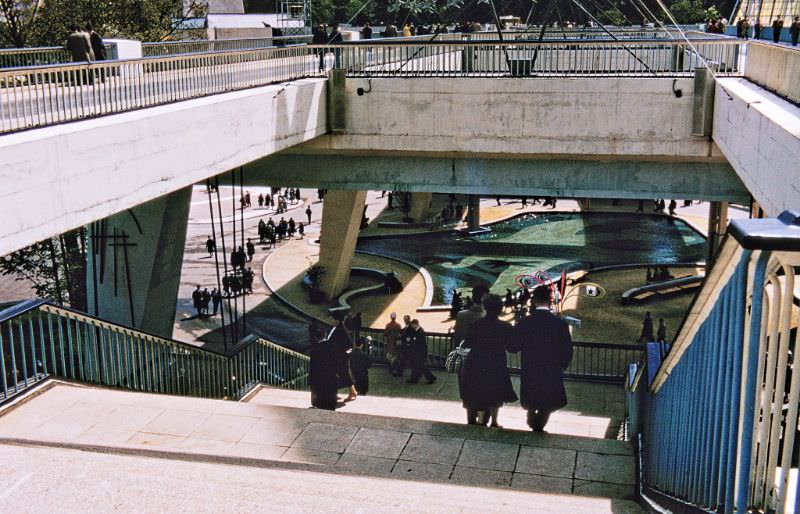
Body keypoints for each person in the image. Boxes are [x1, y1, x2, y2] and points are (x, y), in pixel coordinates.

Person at [508, 286, 573, 432]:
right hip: (551, 368)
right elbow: (567, 349)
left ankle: (532, 416)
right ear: (550, 301)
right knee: (548, 399)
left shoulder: (525, 322)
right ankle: (539, 423)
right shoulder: (560, 324)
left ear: (534, 301)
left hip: (531, 367)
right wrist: (562, 365)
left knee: (532, 395)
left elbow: (512, 347)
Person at [459, 294, 518, 427]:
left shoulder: (475, 325)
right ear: (499, 309)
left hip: (477, 362)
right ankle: (494, 421)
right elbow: (512, 348)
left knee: (477, 390)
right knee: (495, 393)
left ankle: (477, 419)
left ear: (485, 307)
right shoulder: (505, 327)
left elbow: (468, 344)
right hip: (496, 362)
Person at [309, 323, 338, 410]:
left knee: (320, 405)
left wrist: (311, 384)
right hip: (332, 380)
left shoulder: (314, 350)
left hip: (319, 382)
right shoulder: (333, 347)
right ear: (325, 334)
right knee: (331, 405)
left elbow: (313, 369)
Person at [329, 315, 358, 401]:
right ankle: (334, 393)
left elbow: (350, 344)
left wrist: (343, 352)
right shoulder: (337, 328)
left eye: (332, 319)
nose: (331, 320)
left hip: (341, 356)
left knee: (344, 374)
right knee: (336, 374)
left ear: (337, 320)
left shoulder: (341, 329)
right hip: (337, 355)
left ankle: (353, 392)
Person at [406, 319, 436, 384]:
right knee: (417, 366)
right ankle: (415, 379)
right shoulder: (419, 331)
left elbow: (418, 343)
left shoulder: (419, 332)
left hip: (419, 352)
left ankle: (430, 377)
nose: (412, 326)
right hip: (418, 352)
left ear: (415, 324)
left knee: (420, 366)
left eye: (412, 325)